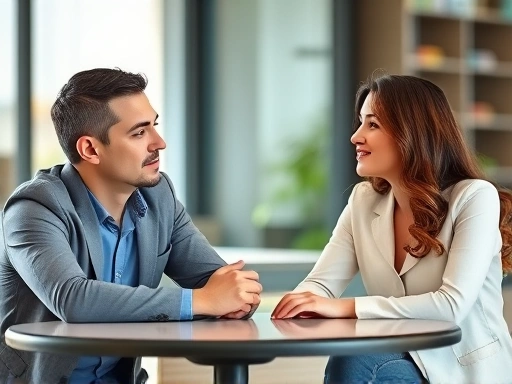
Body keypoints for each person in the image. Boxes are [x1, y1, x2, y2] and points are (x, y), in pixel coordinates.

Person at [0, 68, 262, 384]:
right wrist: (203, 300)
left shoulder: (158, 196)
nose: (160, 143)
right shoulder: (35, 207)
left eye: (155, 125)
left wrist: (236, 295)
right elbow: (73, 299)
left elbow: (220, 283)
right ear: (90, 149)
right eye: (139, 133)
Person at [271, 74, 512, 383]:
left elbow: (451, 305)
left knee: (359, 359)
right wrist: (300, 303)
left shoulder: (474, 197)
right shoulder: (363, 201)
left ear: (413, 133)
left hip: (463, 373)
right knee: (356, 357)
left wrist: (343, 308)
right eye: (360, 123)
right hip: (399, 360)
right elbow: (320, 284)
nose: (356, 137)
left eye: (372, 125)